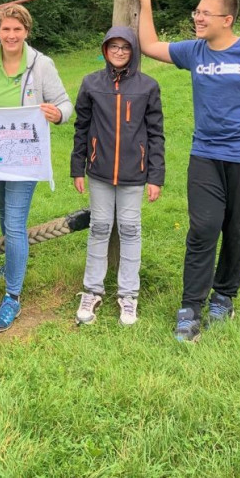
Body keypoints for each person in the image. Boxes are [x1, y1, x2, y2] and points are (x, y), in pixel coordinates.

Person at [132, 0, 240, 342]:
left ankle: (224, 297)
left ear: (226, 19)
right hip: (206, 155)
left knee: (239, 231)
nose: (197, 17)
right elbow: (149, 46)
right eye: (196, 11)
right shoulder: (195, 52)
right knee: (203, 228)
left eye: (204, 13)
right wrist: (145, 1)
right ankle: (190, 307)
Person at [0, 4, 73, 332]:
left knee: (14, 223)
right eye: (5, 29)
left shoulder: (42, 65)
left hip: (26, 158)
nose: (11, 35)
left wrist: (57, 114)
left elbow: (65, 104)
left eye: (17, 29)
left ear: (26, 31)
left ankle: (12, 296)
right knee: (4, 216)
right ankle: (14, 261)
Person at [70, 26, 165, 327]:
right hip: (98, 172)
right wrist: (77, 167)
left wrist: (156, 175)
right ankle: (92, 290)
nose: (120, 52)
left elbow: (156, 135)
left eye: (126, 47)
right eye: (114, 47)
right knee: (99, 228)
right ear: (105, 50)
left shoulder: (148, 86)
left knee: (130, 229)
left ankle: (128, 295)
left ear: (133, 51)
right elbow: (81, 128)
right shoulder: (91, 83)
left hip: (134, 175)